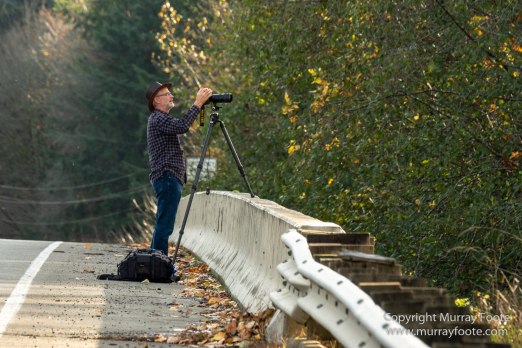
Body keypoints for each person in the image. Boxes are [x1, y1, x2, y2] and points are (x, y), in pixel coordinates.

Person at [145, 81, 212, 257]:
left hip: (168, 177)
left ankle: (155, 261)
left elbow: (180, 125)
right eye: (166, 94)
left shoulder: (160, 119)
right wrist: (198, 104)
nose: (171, 96)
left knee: (163, 222)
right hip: (167, 177)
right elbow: (183, 126)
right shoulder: (158, 119)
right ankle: (159, 263)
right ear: (156, 101)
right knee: (165, 224)